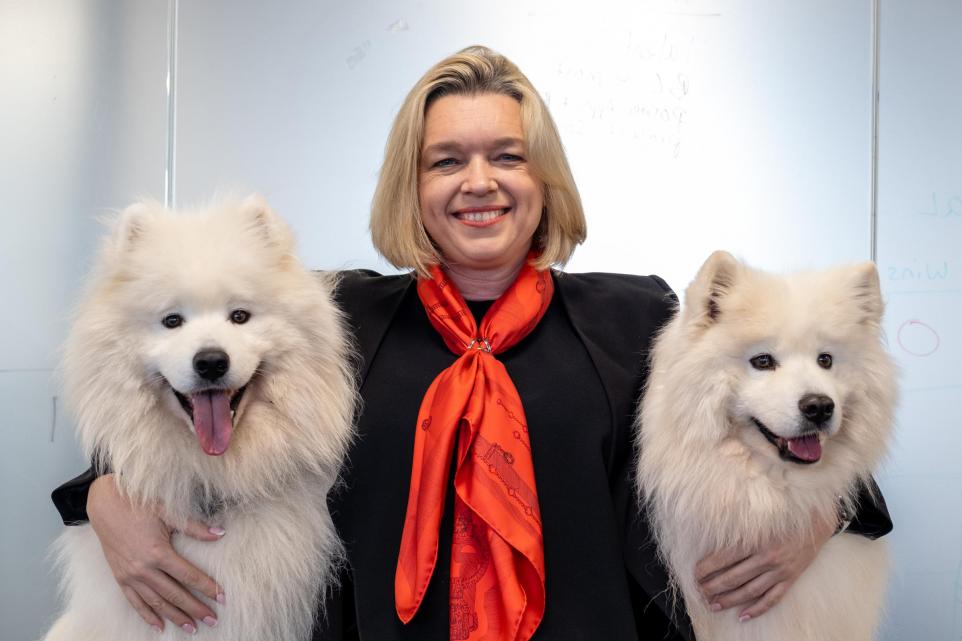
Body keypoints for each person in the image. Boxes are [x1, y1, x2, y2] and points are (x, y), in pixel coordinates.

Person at [52, 46, 892, 641]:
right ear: (410, 187)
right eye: (445, 159)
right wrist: (98, 499)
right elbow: (180, 416)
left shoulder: (636, 318)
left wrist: (825, 520)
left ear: (543, 178)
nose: (479, 182)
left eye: (507, 156)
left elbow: (802, 433)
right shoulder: (340, 318)